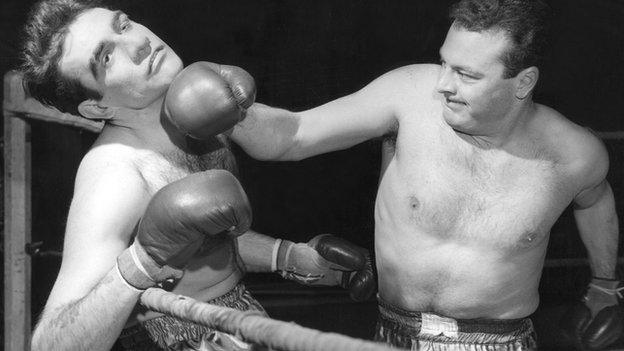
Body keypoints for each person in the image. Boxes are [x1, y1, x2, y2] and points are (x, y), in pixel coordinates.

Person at [228, 0, 623, 349]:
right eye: (444, 63)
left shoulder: (573, 154)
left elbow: (595, 199)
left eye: (466, 74)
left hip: (501, 340)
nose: (444, 84)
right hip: (395, 333)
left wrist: (605, 285)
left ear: (523, 82)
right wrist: (227, 109)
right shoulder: (408, 95)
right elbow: (293, 135)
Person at [20, 0, 376, 350]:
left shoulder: (198, 111)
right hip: (170, 337)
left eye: (123, 24)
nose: (139, 43)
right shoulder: (115, 176)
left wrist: (288, 257)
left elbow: (195, 235)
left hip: (237, 316)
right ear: (98, 106)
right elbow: (51, 343)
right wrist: (140, 261)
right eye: (108, 57)